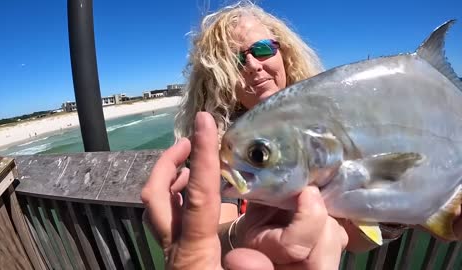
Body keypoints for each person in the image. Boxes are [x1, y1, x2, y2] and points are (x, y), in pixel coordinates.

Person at [141, 1, 447, 268]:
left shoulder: (333, 117)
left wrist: (405, 208)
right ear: (218, 80)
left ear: (283, 52)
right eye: (234, 61)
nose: (253, 66)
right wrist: (241, 233)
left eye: (262, 49)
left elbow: (353, 236)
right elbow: (216, 226)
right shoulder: (223, 148)